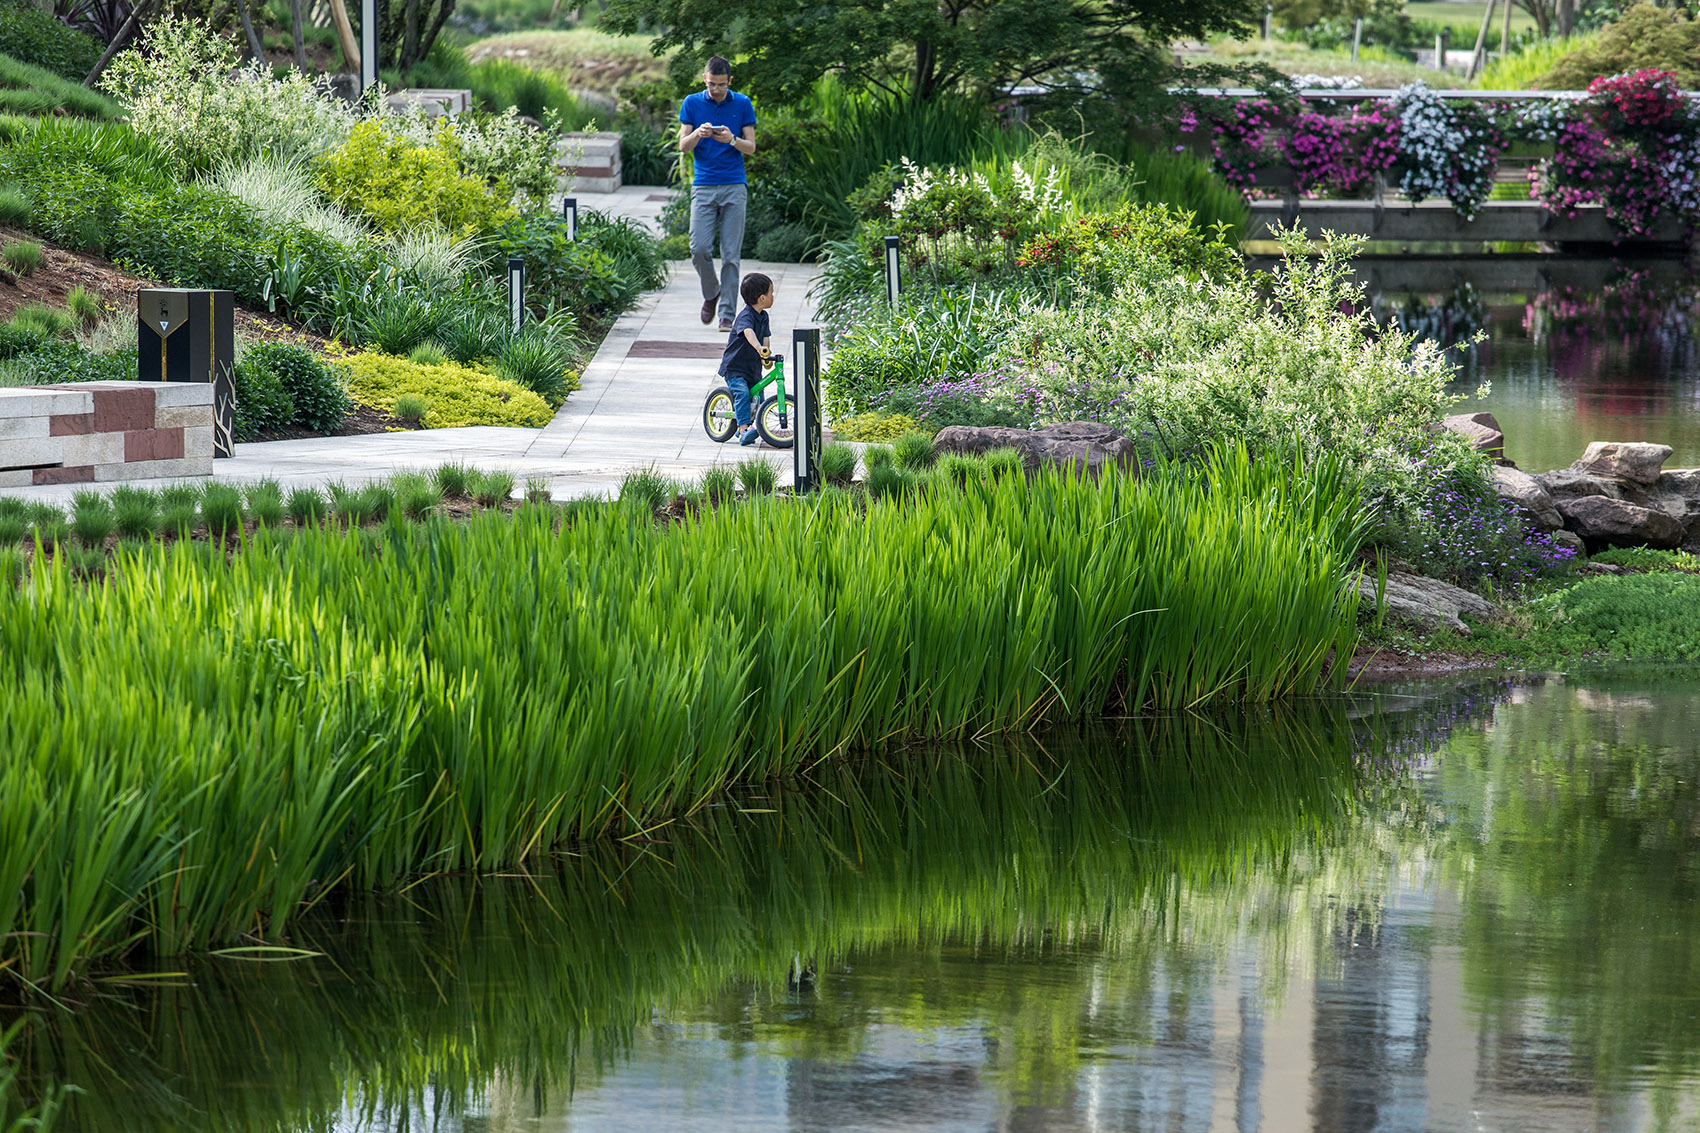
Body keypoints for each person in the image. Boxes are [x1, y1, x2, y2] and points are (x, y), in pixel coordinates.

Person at [678, 56, 756, 331]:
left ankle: (726, 313)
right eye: (711, 84)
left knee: (731, 254)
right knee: (698, 248)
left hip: (734, 185)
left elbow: (751, 147)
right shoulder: (692, 102)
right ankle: (711, 293)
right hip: (704, 185)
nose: (716, 90)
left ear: (730, 82)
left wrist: (732, 139)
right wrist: (699, 133)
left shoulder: (743, 103)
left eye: (721, 85)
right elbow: (683, 146)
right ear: (704, 79)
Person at [719, 272, 774, 446]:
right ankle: (742, 429)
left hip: (752, 369)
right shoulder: (745, 316)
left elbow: (765, 338)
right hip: (735, 368)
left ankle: (758, 425)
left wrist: (766, 356)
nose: (773, 296)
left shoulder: (764, 317)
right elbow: (748, 333)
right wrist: (759, 348)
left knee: (759, 396)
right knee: (742, 393)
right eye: (772, 293)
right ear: (762, 298)